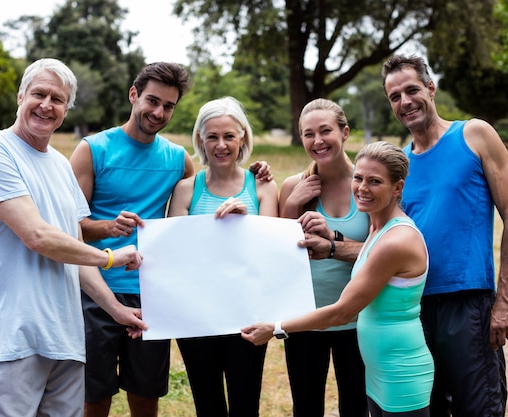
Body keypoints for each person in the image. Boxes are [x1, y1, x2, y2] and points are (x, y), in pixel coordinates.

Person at [69, 63, 273, 417]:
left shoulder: (178, 160)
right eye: (152, 100)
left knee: (146, 394)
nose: (158, 112)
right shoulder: (92, 149)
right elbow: (69, 227)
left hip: (154, 292)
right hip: (97, 290)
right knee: (95, 395)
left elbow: (205, 200)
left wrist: (254, 171)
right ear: (134, 95)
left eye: (168, 105)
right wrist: (107, 228)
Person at [0, 58, 147, 417]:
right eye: (39, 94)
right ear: (21, 96)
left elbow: (74, 250)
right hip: (15, 334)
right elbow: (37, 236)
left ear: (67, 108)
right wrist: (110, 257)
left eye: (58, 99)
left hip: (65, 335)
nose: (47, 105)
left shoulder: (61, 165)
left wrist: (116, 310)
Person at [381, 54, 508, 417]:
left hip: (469, 307)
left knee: (480, 410)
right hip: (412, 309)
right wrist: (333, 244)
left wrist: (506, 299)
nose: (405, 102)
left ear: (431, 89)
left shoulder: (474, 134)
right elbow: (384, 245)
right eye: (395, 96)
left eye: (412, 89)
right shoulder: (399, 165)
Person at [242, 141, 435, 417]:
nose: (362, 188)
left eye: (375, 181)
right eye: (358, 178)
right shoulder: (378, 228)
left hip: (400, 371)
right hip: (380, 370)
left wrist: (276, 327)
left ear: (398, 188)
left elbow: (343, 311)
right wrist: (330, 239)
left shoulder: (396, 240)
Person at [166, 96, 278, 417]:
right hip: (197, 316)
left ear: (242, 136)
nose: (221, 145)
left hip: (248, 317)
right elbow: (176, 251)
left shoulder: (263, 187)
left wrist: (246, 221)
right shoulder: (187, 189)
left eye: (229, 136)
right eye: (212, 136)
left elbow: (271, 250)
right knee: (208, 404)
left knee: (245, 405)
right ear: (200, 138)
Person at [278, 98, 368, 417]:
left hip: (359, 318)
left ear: (345, 132)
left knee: (357, 407)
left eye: (325, 131)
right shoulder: (292, 186)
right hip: (305, 319)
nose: (317, 141)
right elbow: (277, 257)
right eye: (308, 134)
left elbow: (382, 250)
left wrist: (333, 238)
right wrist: (292, 206)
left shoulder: (367, 185)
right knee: (306, 407)